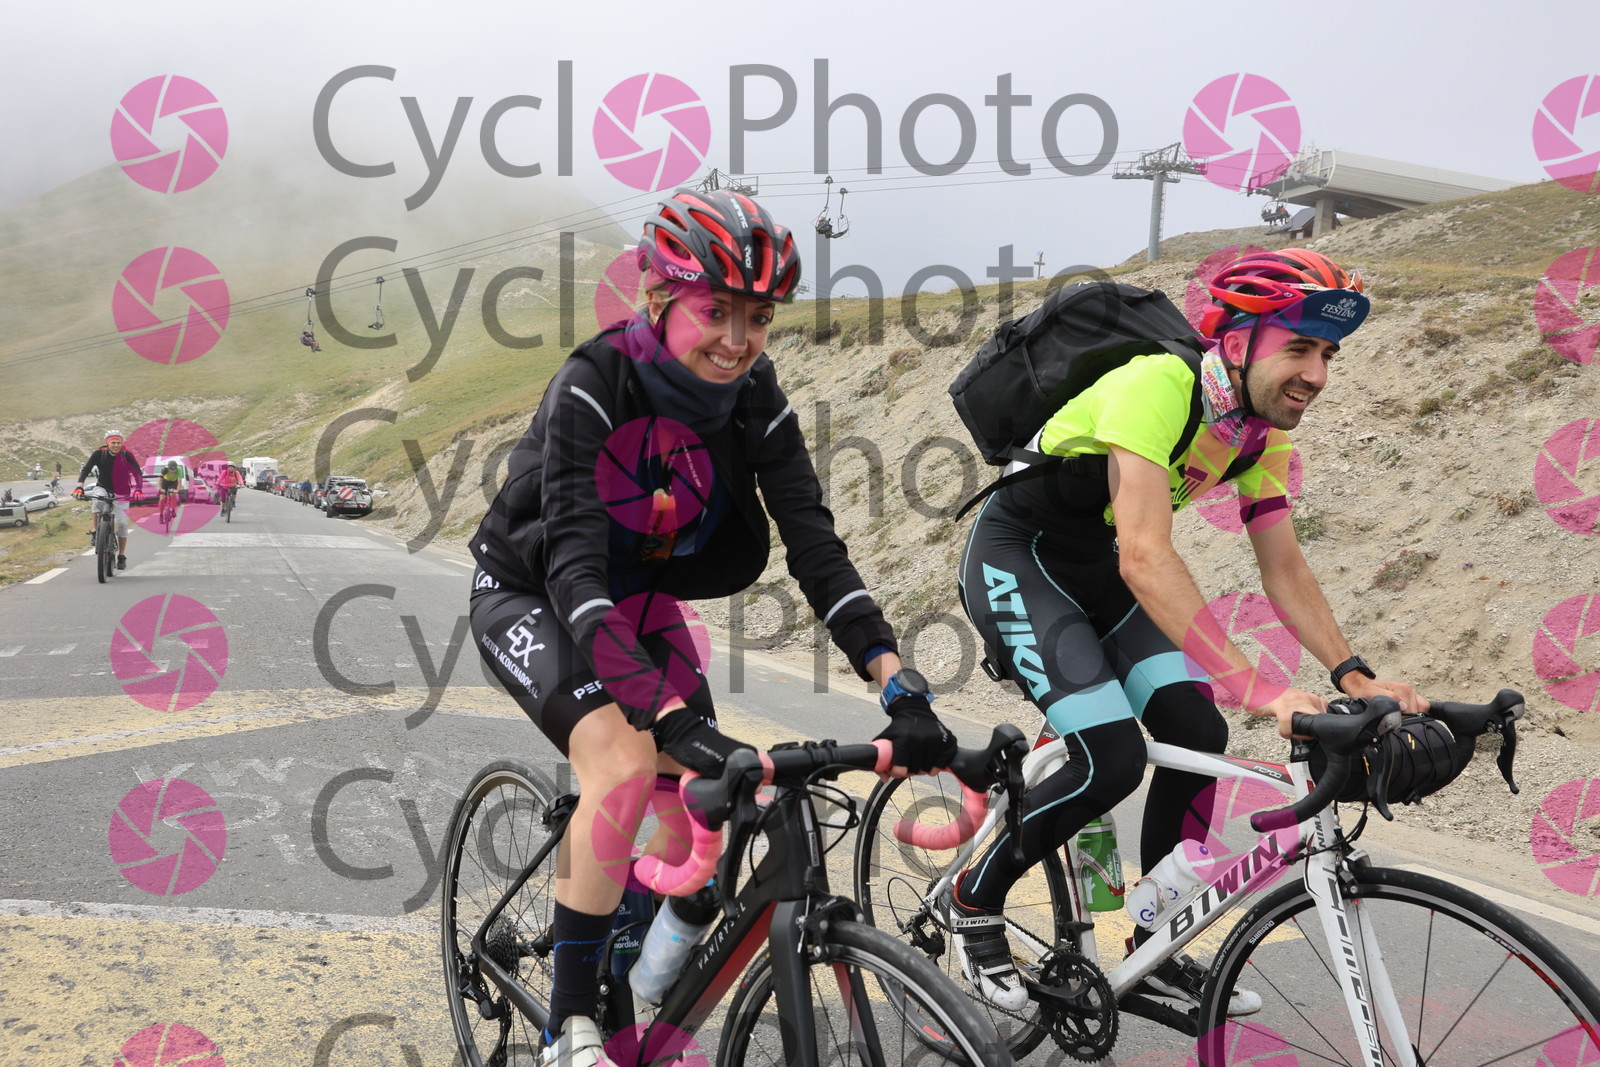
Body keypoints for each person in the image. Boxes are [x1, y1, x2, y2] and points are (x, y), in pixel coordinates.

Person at [468, 188, 957, 1067]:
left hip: (639, 601)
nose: (738, 338)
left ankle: (638, 963)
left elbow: (815, 544)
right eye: (716, 310)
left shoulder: (752, 397)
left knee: (708, 799)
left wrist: (896, 680)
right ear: (659, 298)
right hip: (533, 590)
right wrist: (659, 712)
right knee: (625, 763)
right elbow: (574, 568)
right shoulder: (594, 383)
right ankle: (569, 1024)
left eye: (758, 317)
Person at [952, 249, 1427, 1015]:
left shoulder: (1257, 433)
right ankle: (974, 899)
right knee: (1111, 757)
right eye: (1300, 348)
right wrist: (1258, 687)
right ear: (1237, 342)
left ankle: (1153, 938)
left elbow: (1284, 567)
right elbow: (1145, 555)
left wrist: (1354, 673)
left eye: (1328, 354)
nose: (1317, 374)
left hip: (1097, 568)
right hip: (1020, 555)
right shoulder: (1157, 384)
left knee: (1198, 730)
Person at [74, 431, 144, 569]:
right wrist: (79, 487)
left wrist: (138, 489)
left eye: (118, 443)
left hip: (122, 491)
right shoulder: (99, 454)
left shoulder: (126, 455)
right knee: (97, 500)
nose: (116, 445)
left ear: (121, 443)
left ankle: (122, 556)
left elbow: (137, 473)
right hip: (103, 487)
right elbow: (86, 470)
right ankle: (96, 530)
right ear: (107, 443)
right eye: (113, 442)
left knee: (122, 524)